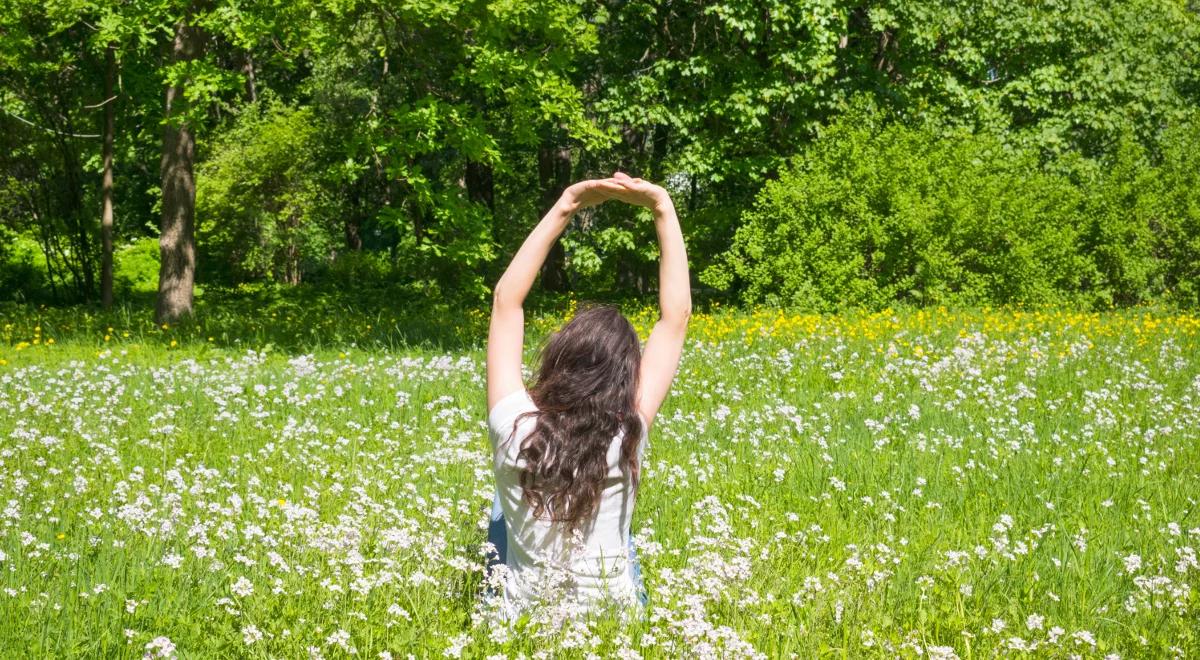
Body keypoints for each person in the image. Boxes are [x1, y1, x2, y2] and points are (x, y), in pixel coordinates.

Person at [483, 171, 691, 620]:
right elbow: (675, 319)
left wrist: (567, 203)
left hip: (522, 623)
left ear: (558, 358)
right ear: (625, 377)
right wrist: (662, 207)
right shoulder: (627, 431)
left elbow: (506, 301)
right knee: (612, 507)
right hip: (611, 624)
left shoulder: (513, 428)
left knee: (502, 503)